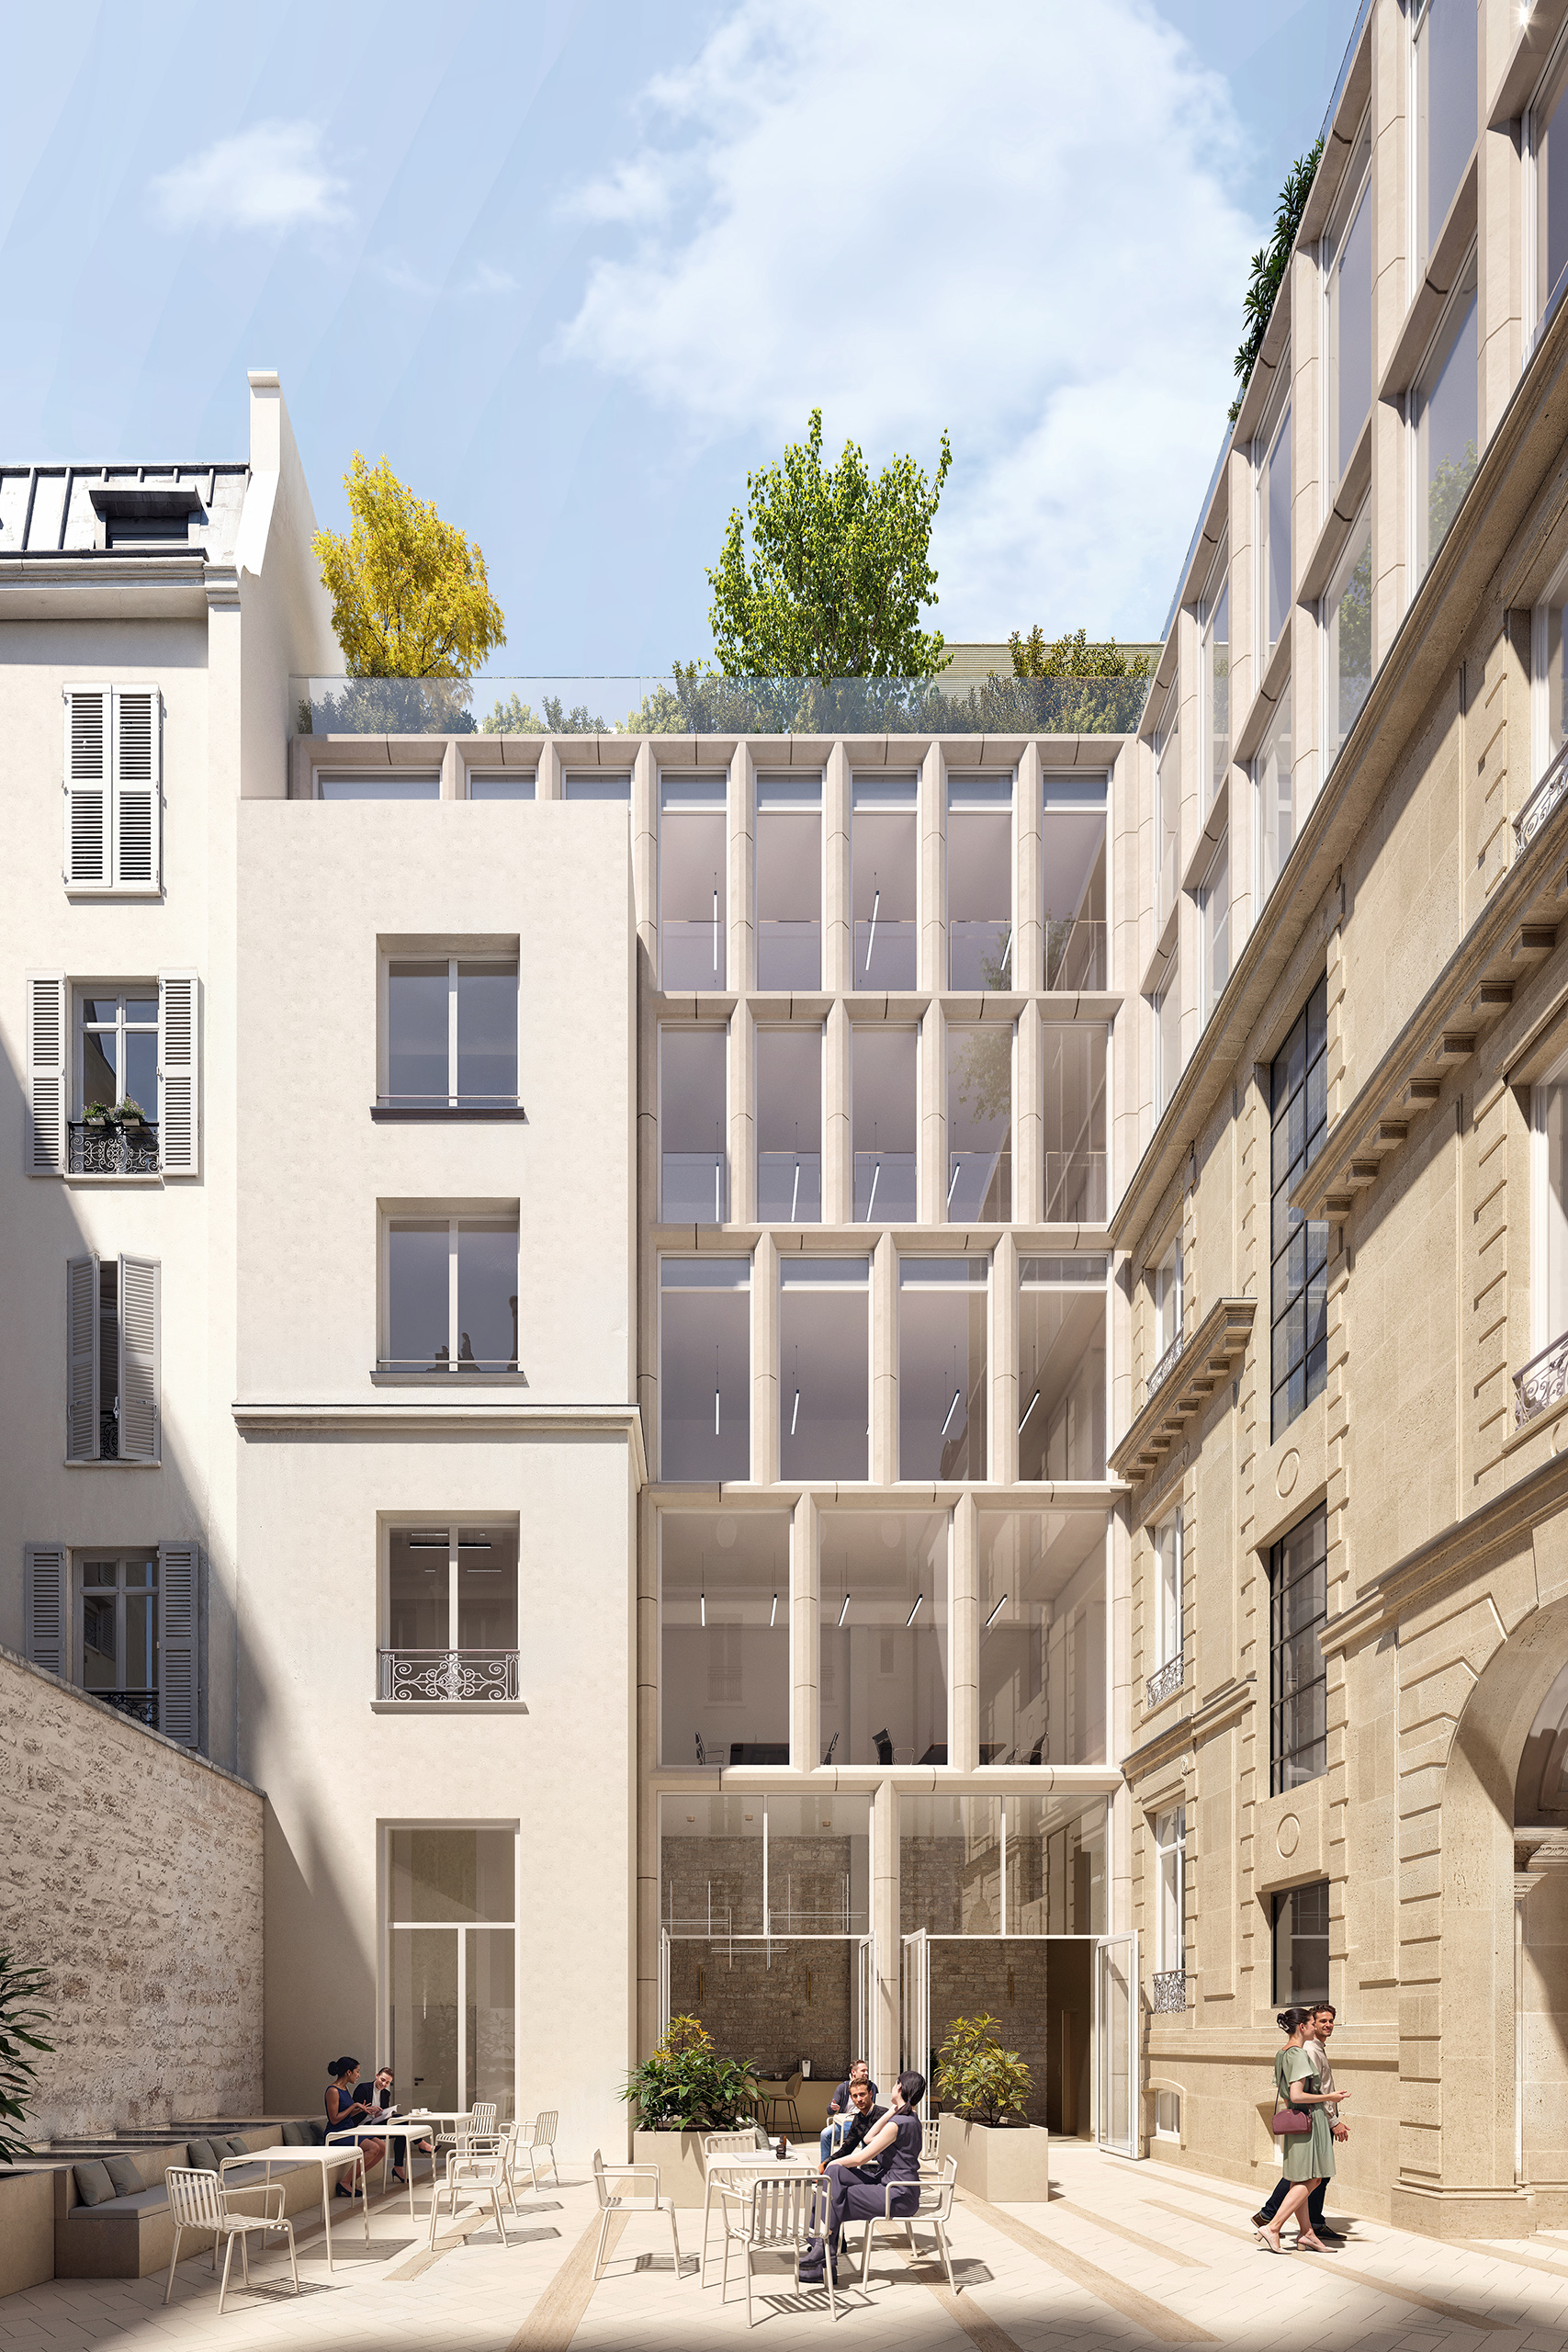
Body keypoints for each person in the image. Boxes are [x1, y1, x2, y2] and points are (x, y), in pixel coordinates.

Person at [798, 2069, 924, 2285]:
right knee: (833, 2179)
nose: (892, 2088)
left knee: (833, 2194)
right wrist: (892, 2110)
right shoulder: (906, 2119)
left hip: (897, 2193)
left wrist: (828, 2165)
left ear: (900, 2088)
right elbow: (868, 2136)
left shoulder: (899, 2125)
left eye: (895, 2084)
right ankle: (822, 2253)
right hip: (890, 2183)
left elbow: (862, 2157)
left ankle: (822, 2253)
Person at [1252, 2006, 1348, 2243]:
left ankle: (1306, 2231)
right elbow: (1299, 2093)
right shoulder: (1303, 2053)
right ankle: (1272, 2224)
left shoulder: (1283, 2053)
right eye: (1317, 2022)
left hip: (1302, 2119)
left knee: (1302, 2177)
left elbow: (1286, 2095)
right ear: (1303, 2026)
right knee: (1312, 2177)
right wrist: (1330, 2102)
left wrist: (1294, 2113)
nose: (1322, 2026)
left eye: (1329, 2021)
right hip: (1312, 2120)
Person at [324, 2057, 385, 2195]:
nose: (359, 2075)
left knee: (382, 2147)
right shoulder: (332, 2091)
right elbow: (334, 2120)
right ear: (348, 2072)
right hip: (337, 2133)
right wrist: (354, 2105)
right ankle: (345, 2183)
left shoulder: (344, 2088)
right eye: (357, 2072)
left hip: (348, 2130)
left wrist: (362, 2109)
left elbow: (345, 2115)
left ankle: (352, 2180)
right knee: (373, 2148)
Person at [818, 2075, 885, 2171]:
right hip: (866, 2167)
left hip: (884, 2169)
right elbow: (846, 2149)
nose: (859, 2099)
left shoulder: (883, 2115)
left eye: (862, 2094)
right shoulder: (858, 2119)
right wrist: (825, 2163)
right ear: (851, 2098)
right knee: (835, 2171)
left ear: (870, 2094)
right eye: (855, 2096)